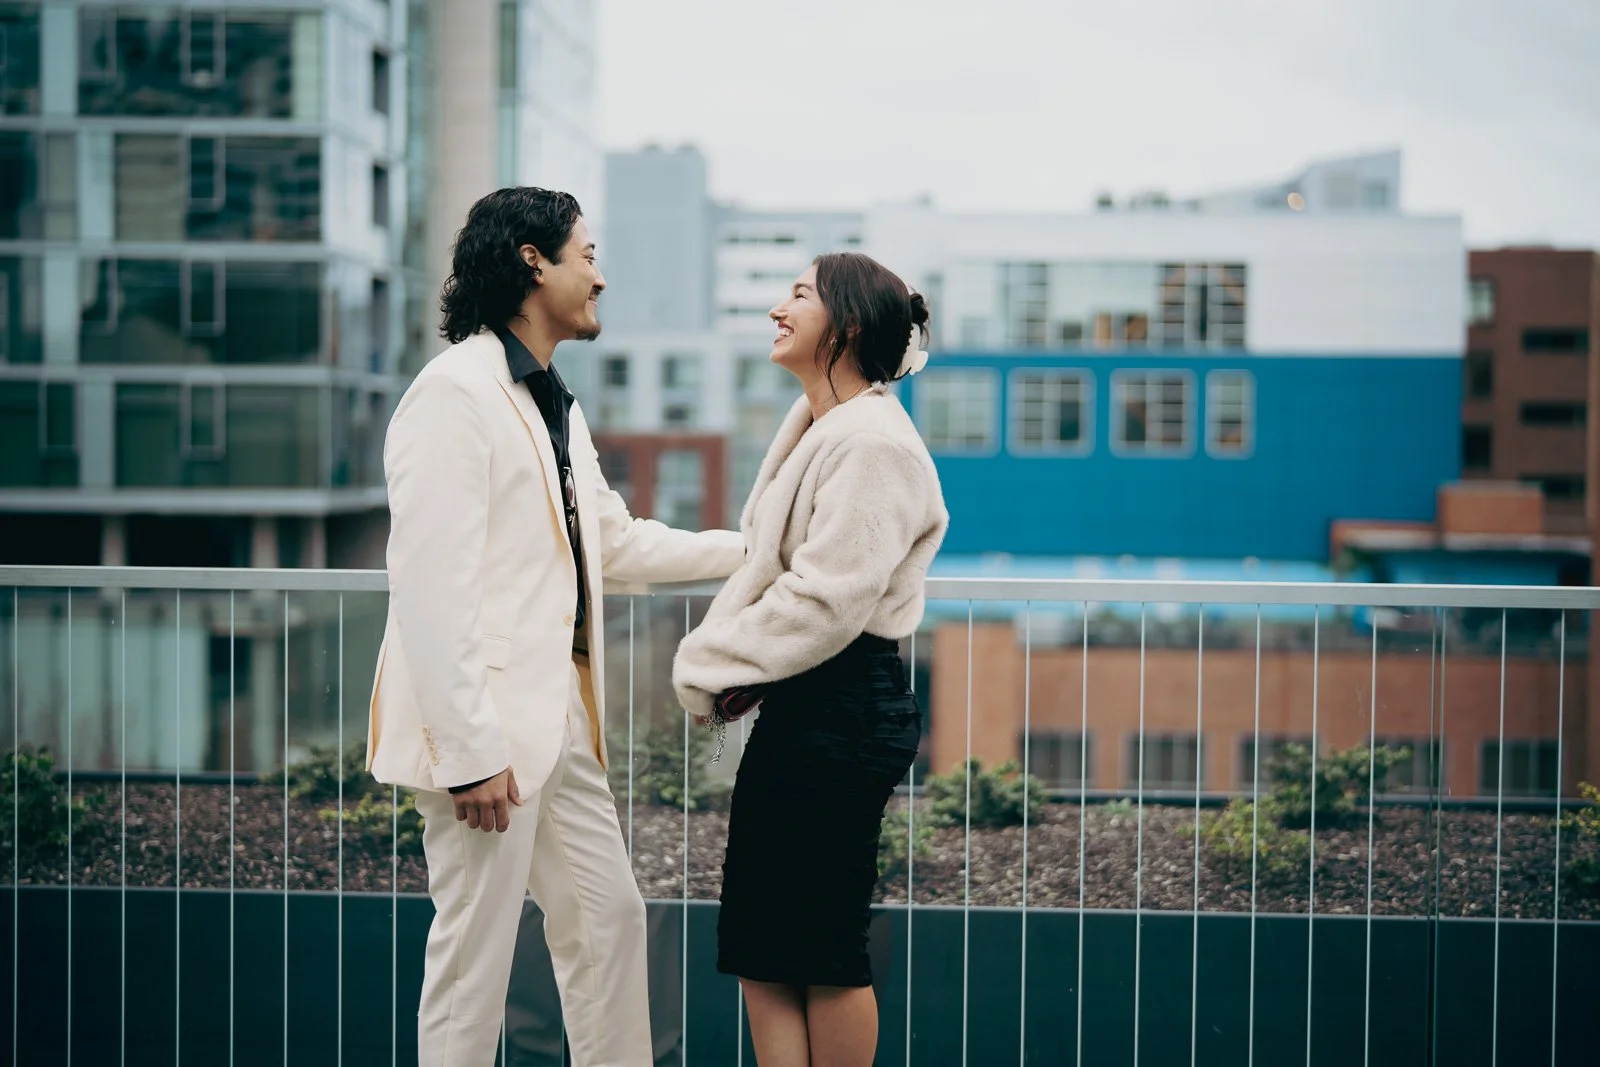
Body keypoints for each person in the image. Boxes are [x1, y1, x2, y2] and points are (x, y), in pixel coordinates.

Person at [366, 186, 745, 1067]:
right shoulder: (453, 395)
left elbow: (609, 541)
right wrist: (468, 751)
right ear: (533, 261)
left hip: (559, 722)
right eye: (588, 255)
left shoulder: (549, 399)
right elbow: (431, 584)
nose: (601, 277)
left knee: (610, 922)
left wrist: (756, 549)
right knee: (473, 964)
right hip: (488, 734)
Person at [672, 252, 949, 1066]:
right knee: (760, 940)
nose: (776, 310)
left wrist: (712, 659)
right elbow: (784, 571)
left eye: (798, 295)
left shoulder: (874, 444)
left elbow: (828, 599)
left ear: (851, 324)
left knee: (822, 945)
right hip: (806, 702)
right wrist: (747, 669)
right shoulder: (833, 427)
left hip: (846, 706)